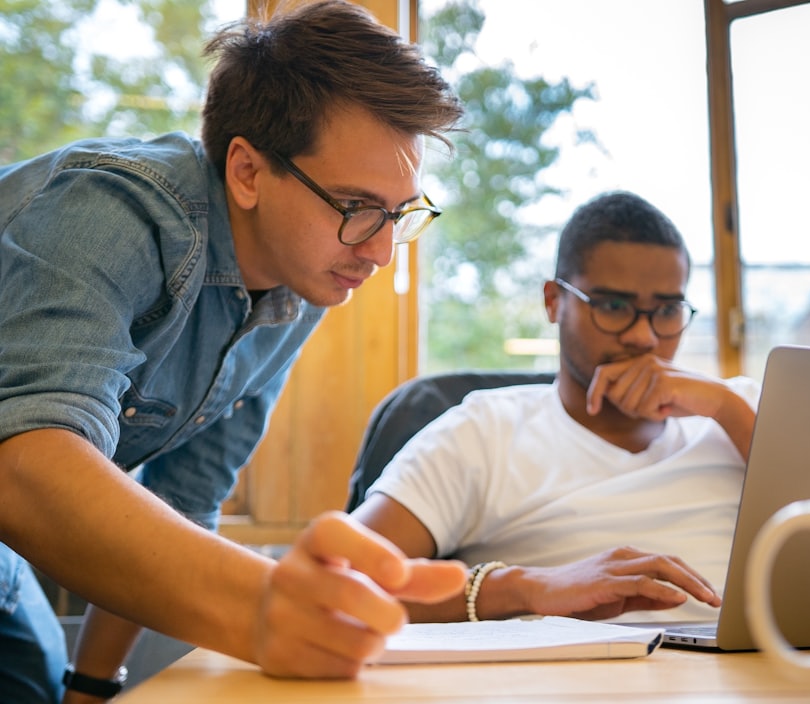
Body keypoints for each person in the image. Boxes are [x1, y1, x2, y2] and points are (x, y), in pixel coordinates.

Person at [0, 2, 469, 702]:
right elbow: (25, 464)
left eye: (399, 216)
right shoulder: (110, 211)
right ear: (247, 171)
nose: (378, 251)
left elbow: (182, 501)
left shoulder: (301, 284)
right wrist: (259, 604)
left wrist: (92, 688)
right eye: (355, 207)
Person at [352, 191, 759, 624]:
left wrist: (725, 406)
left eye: (667, 310)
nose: (644, 337)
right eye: (614, 306)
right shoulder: (482, 432)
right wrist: (530, 588)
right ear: (553, 301)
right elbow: (341, 581)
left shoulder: (739, 414)